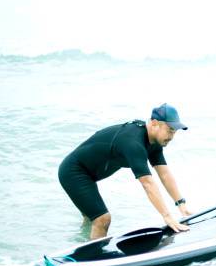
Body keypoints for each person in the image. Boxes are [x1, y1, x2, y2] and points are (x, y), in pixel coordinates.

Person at [58, 103, 192, 240]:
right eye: (170, 130)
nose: (172, 136)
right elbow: (147, 184)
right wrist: (167, 217)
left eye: (174, 132)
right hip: (73, 171)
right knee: (102, 219)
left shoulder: (154, 142)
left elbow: (164, 174)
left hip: (89, 174)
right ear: (154, 123)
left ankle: (82, 246)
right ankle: (97, 258)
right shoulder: (133, 142)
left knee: (91, 216)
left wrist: (181, 205)